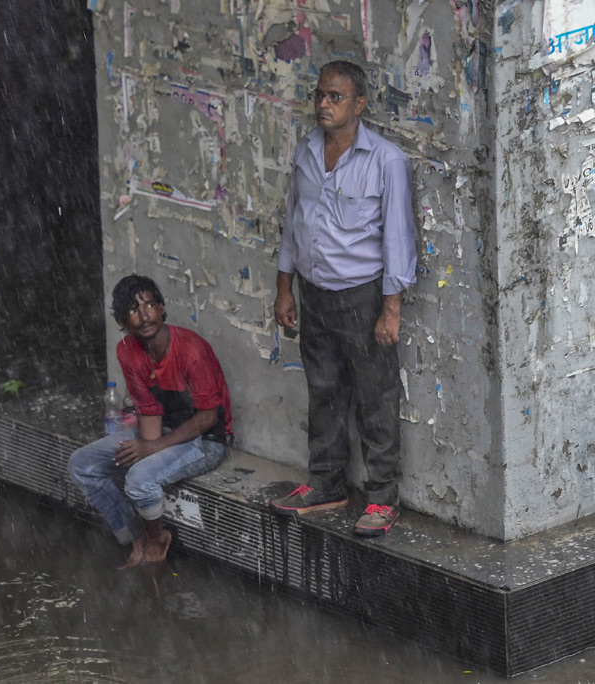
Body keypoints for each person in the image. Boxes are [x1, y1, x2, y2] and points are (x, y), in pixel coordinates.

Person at [270, 60, 416, 537]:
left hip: (363, 296)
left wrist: (390, 309)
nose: (324, 105)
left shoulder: (385, 160)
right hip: (315, 295)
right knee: (324, 392)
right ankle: (327, 483)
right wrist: (285, 288)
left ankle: (381, 497)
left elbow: (398, 237)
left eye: (335, 97)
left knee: (375, 398)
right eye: (320, 95)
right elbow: (293, 222)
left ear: (359, 104)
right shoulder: (307, 150)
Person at [68, 275, 233, 567]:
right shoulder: (127, 351)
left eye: (149, 305)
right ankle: (135, 537)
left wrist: (153, 448)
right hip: (165, 429)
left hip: (206, 439)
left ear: (162, 308)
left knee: (139, 480)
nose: (144, 315)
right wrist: (146, 445)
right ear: (122, 319)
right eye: (133, 309)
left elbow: (208, 417)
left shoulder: (191, 350)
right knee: (83, 463)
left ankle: (158, 538)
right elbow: (149, 409)